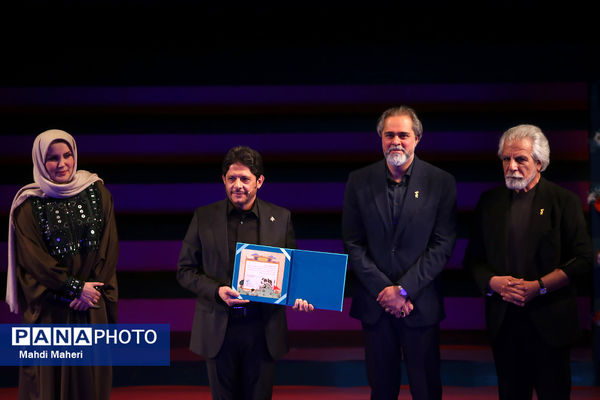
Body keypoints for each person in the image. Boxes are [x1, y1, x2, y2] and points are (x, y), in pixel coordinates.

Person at [463, 124, 592, 400]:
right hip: (505, 324)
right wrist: (493, 282)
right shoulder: (490, 202)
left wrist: (539, 286)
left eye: (520, 159)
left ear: (540, 163)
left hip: (551, 325)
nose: (511, 166)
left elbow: (582, 259)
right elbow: (473, 261)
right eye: (506, 159)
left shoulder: (563, 201)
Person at [176, 145, 313, 400]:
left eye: (245, 179)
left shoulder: (281, 217)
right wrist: (216, 291)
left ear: (259, 181)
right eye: (231, 178)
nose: (237, 185)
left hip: (263, 330)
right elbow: (184, 271)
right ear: (223, 180)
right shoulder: (204, 217)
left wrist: (301, 294)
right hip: (219, 328)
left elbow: (294, 270)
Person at [342, 106, 457, 400]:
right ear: (380, 138)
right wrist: (385, 290)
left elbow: (442, 244)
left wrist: (404, 290)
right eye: (389, 134)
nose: (396, 141)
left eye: (403, 135)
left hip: (420, 303)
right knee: (381, 389)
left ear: (417, 138)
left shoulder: (441, 182)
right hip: (375, 304)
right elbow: (352, 243)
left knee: (427, 389)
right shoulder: (358, 180)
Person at [6, 129, 119, 400]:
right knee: (48, 386)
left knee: (91, 384)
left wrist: (89, 290)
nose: (62, 164)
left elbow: (108, 247)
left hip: (90, 305)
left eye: (67, 155)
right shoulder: (27, 205)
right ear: (39, 162)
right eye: (52, 158)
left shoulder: (98, 192)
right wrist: (74, 287)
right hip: (51, 309)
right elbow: (34, 261)